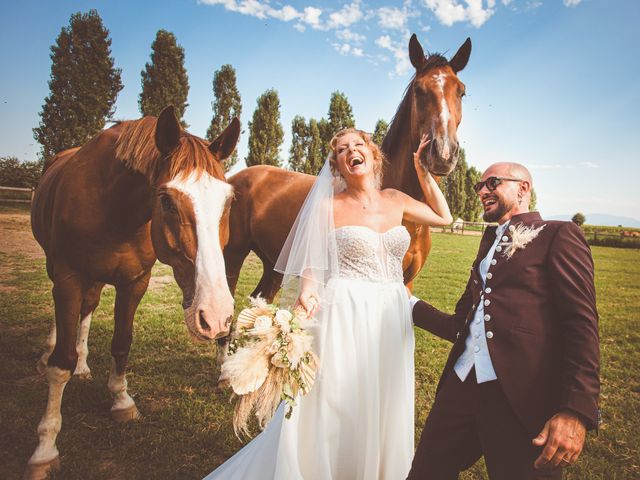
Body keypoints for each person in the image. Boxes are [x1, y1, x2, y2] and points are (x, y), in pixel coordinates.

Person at [204, 128, 452, 479]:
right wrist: (307, 291)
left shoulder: (396, 199)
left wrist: (422, 171)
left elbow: (444, 218)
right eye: (342, 149)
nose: (351, 151)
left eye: (358, 144)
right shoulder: (327, 206)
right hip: (345, 309)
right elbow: (312, 261)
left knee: (384, 396)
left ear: (372, 153)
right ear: (336, 165)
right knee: (336, 397)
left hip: (391, 313)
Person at [407, 162, 600, 480]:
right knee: (426, 471)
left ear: (523, 188)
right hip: (461, 385)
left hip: (522, 395)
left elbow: (581, 324)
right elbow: (461, 325)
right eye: (479, 186)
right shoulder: (487, 243)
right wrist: (408, 304)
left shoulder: (558, 234)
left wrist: (575, 410)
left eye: (492, 183)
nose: (482, 190)